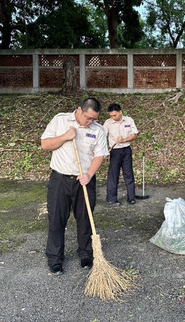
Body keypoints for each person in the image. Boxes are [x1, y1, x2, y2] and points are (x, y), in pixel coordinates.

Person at [41, 97, 109, 276]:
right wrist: (65, 137)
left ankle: (86, 255)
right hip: (60, 180)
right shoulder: (60, 120)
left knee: (85, 220)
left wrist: (89, 174)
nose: (91, 122)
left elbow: (100, 155)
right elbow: (45, 144)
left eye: (94, 119)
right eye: (88, 118)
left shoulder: (98, 130)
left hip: (84, 181)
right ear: (79, 110)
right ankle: (55, 259)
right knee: (56, 220)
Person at [103, 103, 139, 205]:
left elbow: (134, 135)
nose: (113, 117)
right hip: (115, 151)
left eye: (115, 115)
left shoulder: (129, 120)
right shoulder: (108, 123)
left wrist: (124, 140)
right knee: (113, 175)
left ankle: (131, 197)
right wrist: (104, 150)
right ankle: (111, 199)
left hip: (126, 150)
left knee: (129, 173)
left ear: (120, 112)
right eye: (111, 116)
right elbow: (102, 137)